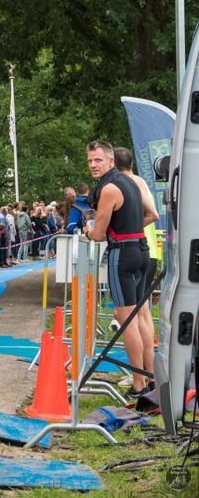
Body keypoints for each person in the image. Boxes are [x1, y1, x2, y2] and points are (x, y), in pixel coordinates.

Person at [84, 140, 157, 397]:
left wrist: (89, 231)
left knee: (126, 321)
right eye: (90, 160)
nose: (93, 164)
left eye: (98, 160)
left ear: (111, 161)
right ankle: (150, 377)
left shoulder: (108, 189)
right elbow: (151, 215)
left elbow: (99, 234)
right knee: (141, 316)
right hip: (142, 250)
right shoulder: (132, 182)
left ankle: (138, 384)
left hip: (123, 256)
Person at [113, 147, 160, 392]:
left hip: (136, 248)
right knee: (141, 316)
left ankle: (142, 378)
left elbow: (152, 215)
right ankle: (148, 374)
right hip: (149, 251)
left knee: (131, 317)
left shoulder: (126, 183)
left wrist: (126, 227)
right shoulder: (139, 181)